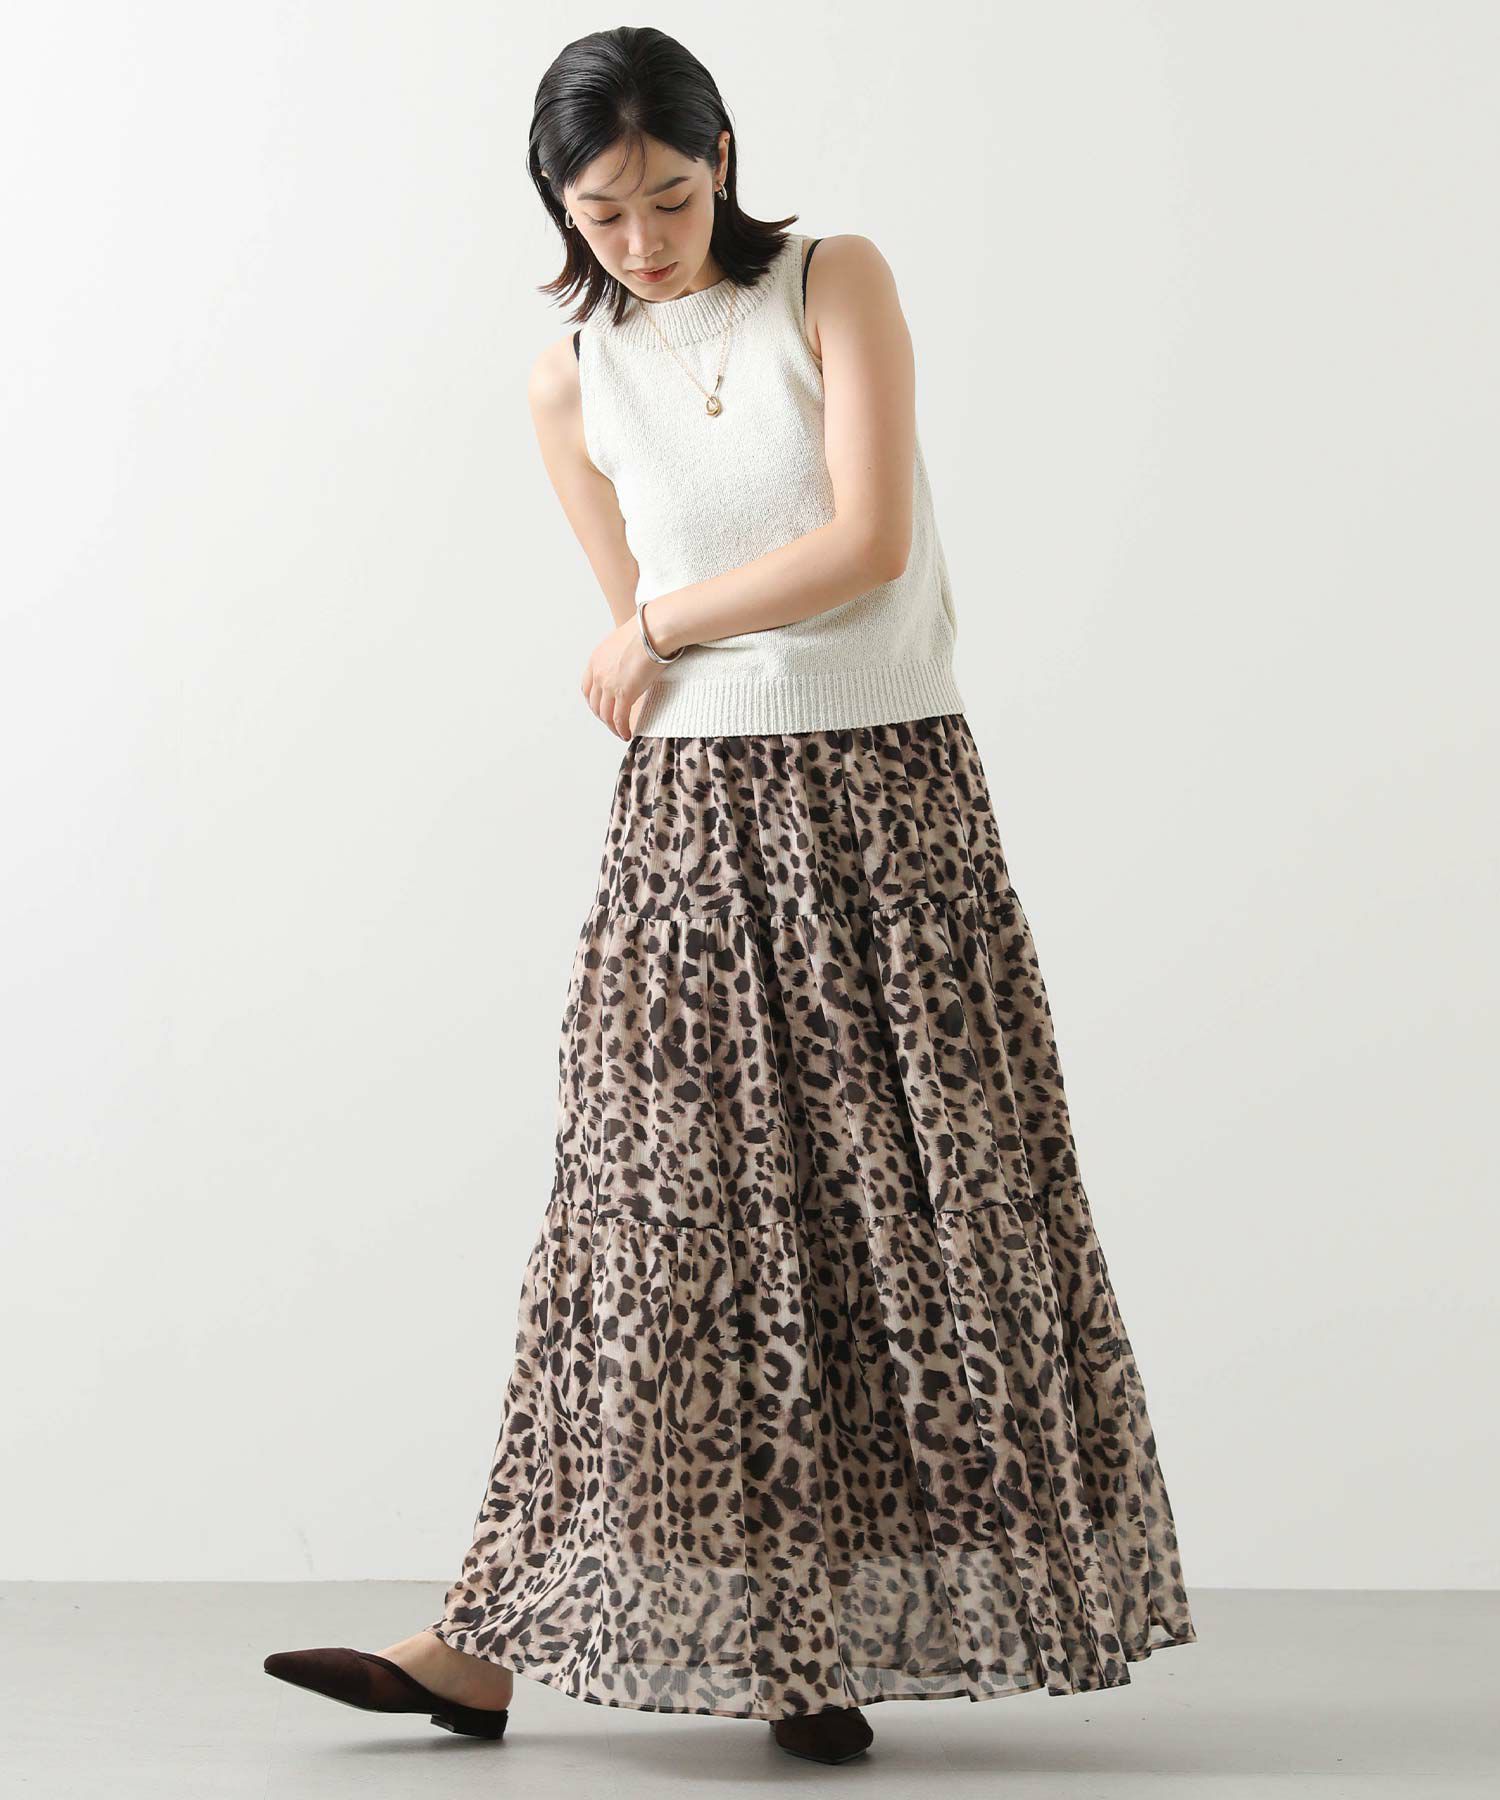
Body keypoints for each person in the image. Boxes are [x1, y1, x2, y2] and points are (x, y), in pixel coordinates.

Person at [263, 25, 1198, 1768]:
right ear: (557, 206)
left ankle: (803, 1645)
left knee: (897, 1221)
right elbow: (640, 650)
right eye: (601, 213)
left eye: (671, 198)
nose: (641, 240)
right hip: (692, 826)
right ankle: (487, 1642)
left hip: (888, 804)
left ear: (724, 163)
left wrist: (665, 623)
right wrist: (654, 634)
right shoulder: (570, 381)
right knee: (655, 1235)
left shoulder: (835, 283)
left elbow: (861, 547)